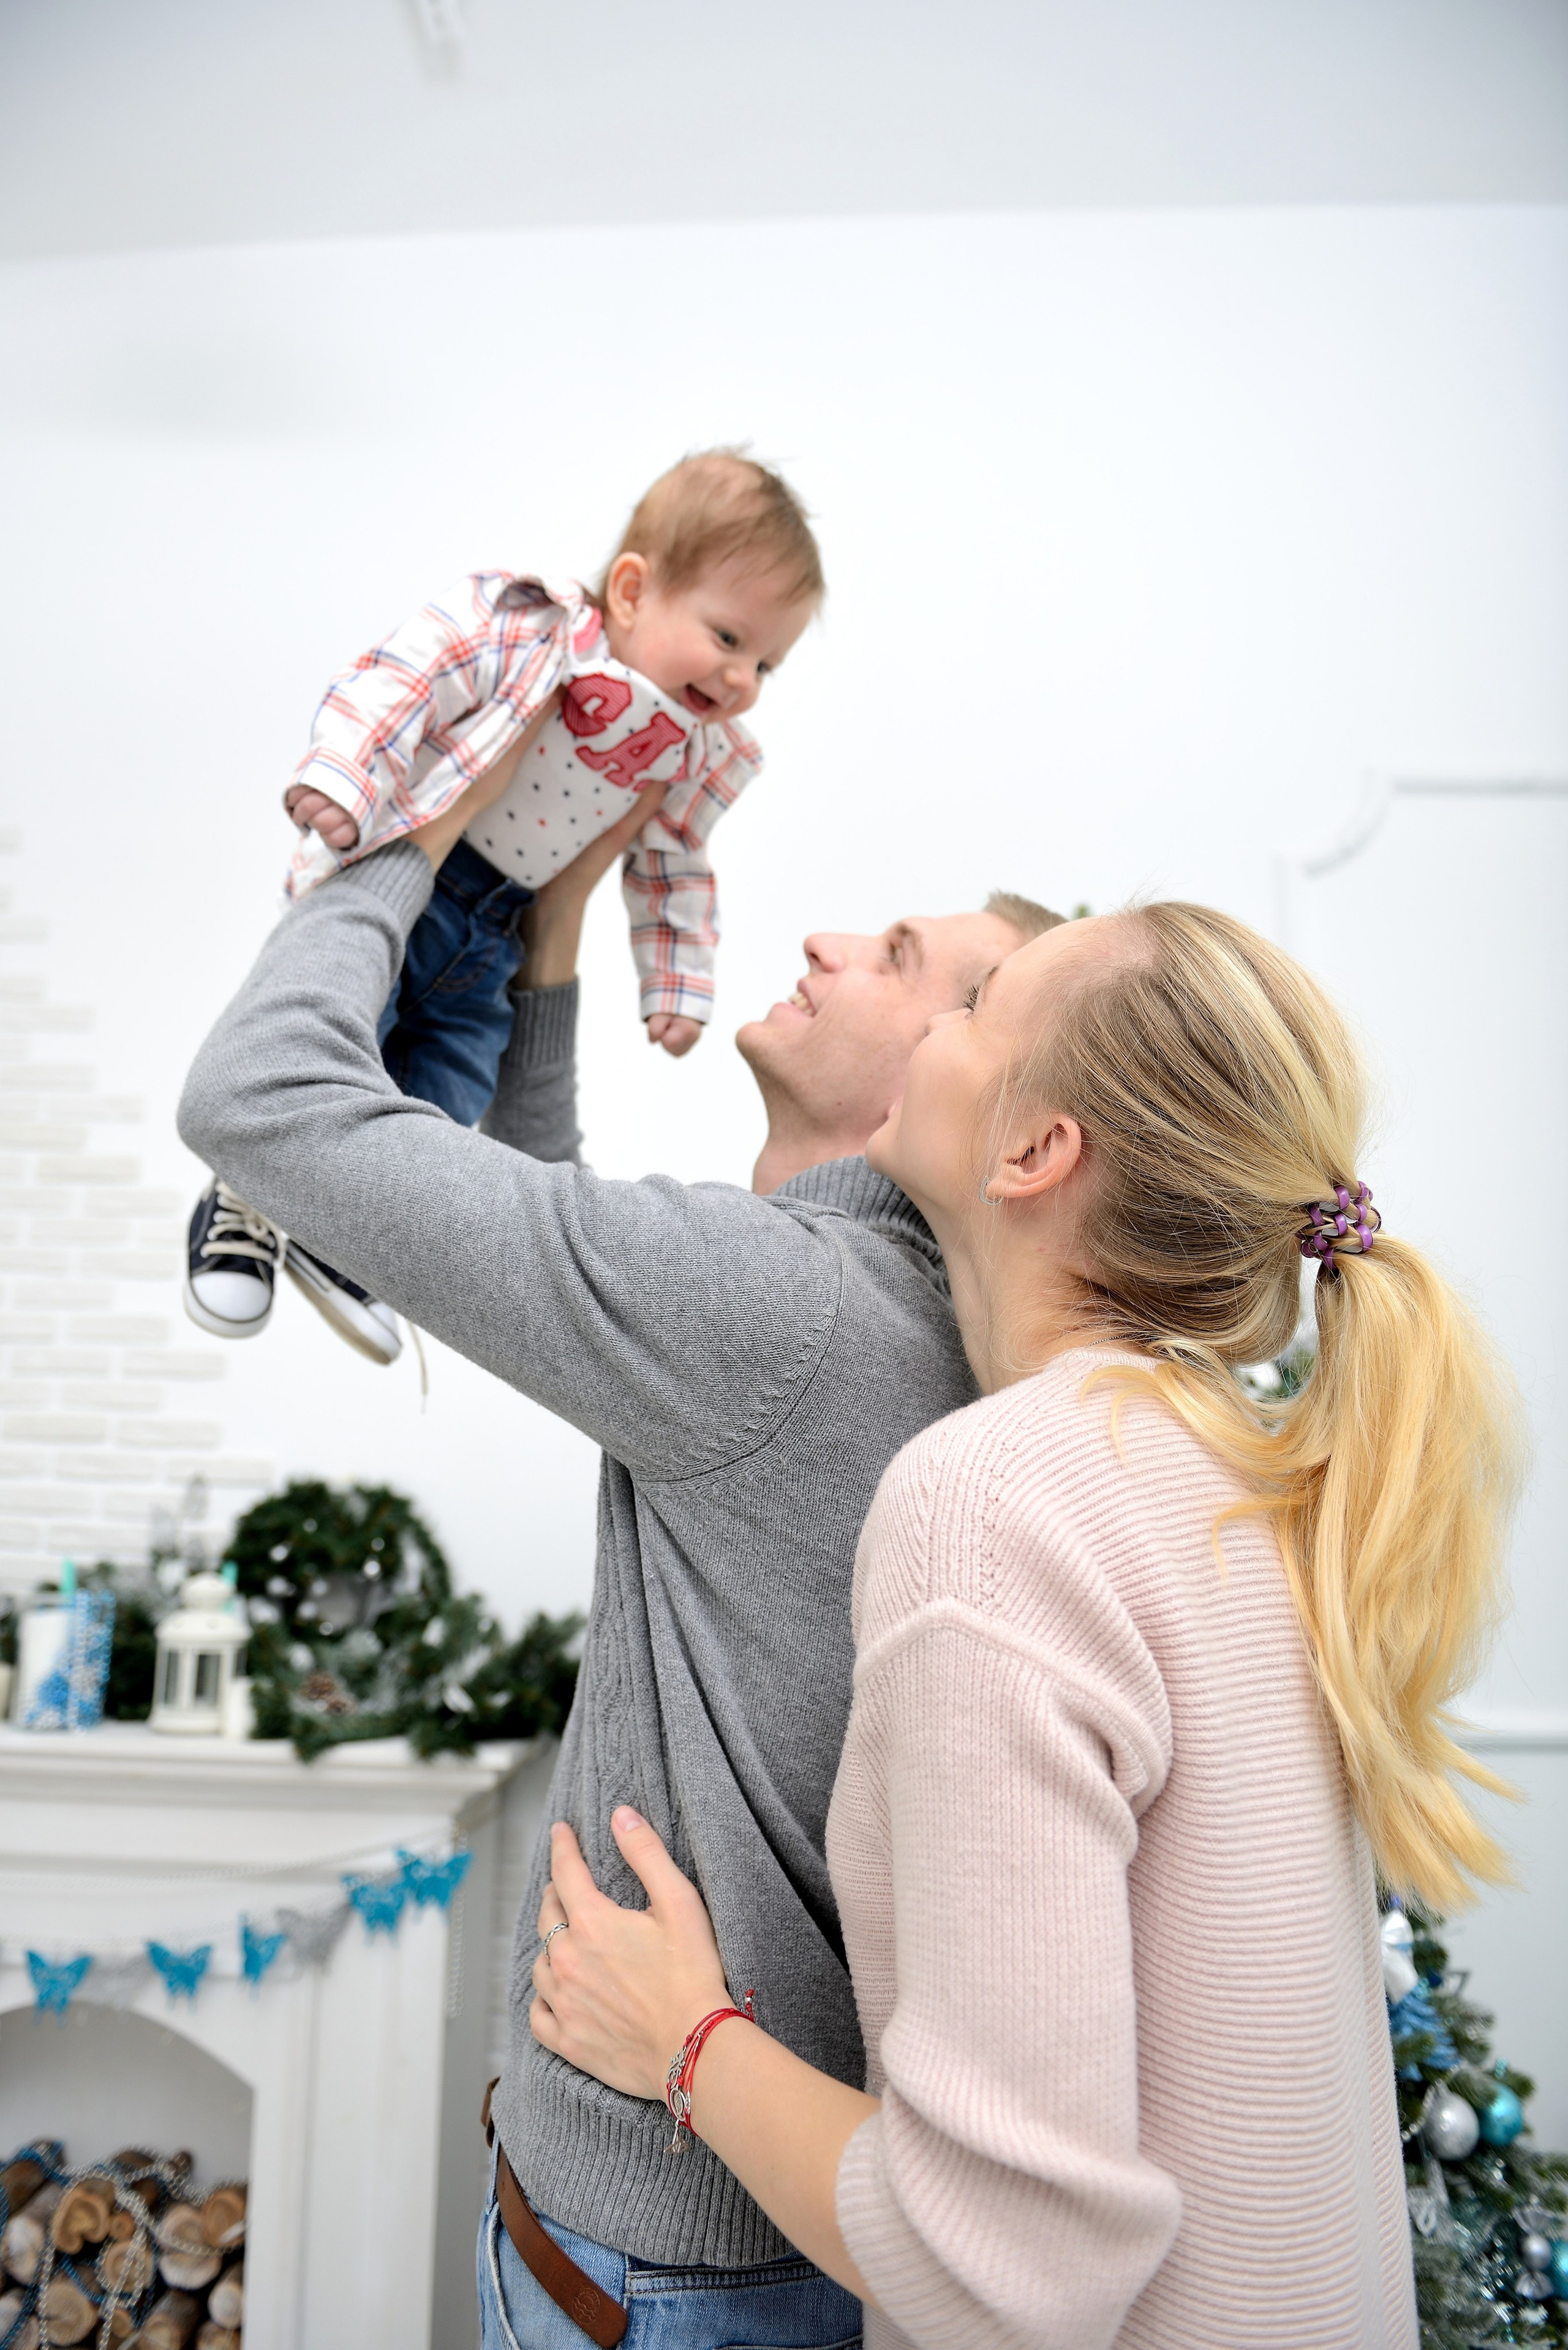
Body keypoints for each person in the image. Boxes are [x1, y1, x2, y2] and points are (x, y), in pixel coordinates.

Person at [526, 901, 1525, 2349]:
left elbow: (1001, 2263)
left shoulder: (991, 1501)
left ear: (1033, 1149)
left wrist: (685, 2039)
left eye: (974, 1006)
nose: (930, 1019)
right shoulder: (1235, 1472)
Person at [178, 755, 1060, 2348]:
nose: (826, 943)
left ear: (957, 1086)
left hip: (656, 2279)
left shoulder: (784, 1312)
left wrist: (421, 806)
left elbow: (262, 1098)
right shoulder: (874, 1312)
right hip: (703, 2255)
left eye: (899, 959)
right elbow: (555, 1235)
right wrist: (556, 926)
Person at [183, 450, 821, 1366]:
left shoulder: (686, 753)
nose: (742, 679)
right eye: (727, 637)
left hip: (498, 935)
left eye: (767, 663)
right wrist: (343, 776)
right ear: (632, 592)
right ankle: (245, 1201)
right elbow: (405, 680)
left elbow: (675, 866)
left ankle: (348, 1243)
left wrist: (677, 985)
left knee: (446, 1091)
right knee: (330, 1045)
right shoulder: (531, 632)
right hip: (408, 882)